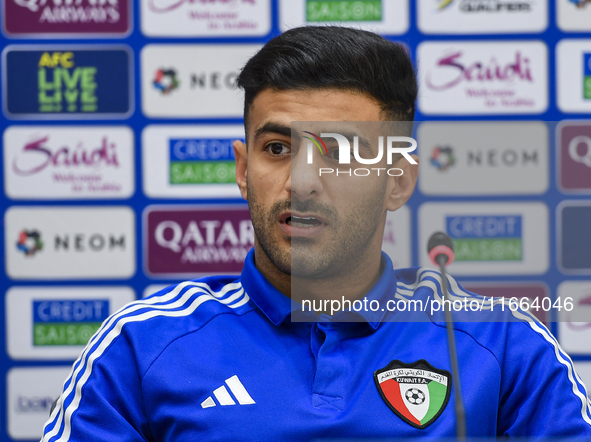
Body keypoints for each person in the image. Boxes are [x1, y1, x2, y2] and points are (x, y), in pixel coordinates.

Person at [41, 26, 591, 441]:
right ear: (241, 168)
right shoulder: (140, 347)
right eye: (276, 149)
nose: (301, 182)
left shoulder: (501, 345)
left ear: (397, 180)